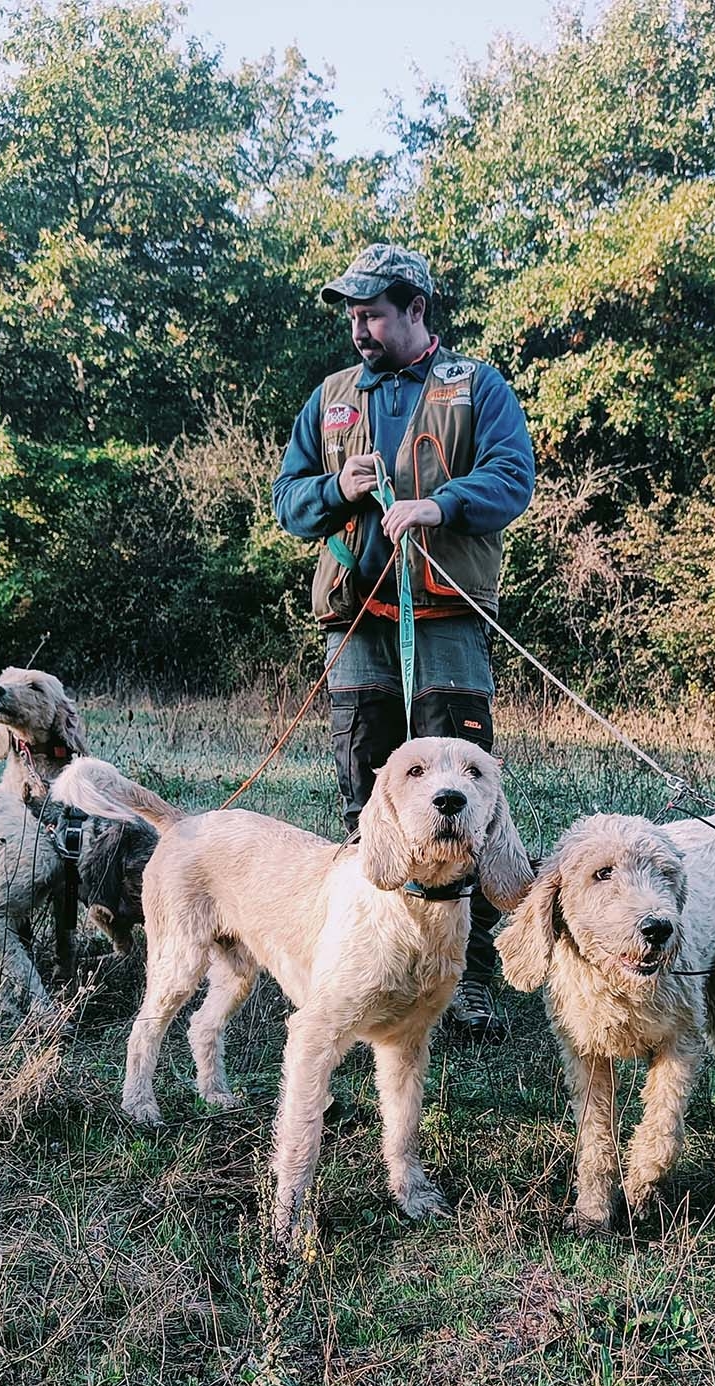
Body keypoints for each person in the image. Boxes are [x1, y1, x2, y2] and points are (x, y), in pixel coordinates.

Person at [271, 243, 536, 1041]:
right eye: (351, 317)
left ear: (415, 309)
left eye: (372, 315)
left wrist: (440, 506)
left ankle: (469, 979)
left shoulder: (476, 387)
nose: (358, 329)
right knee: (370, 796)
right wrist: (333, 489)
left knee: (463, 800)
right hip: (357, 623)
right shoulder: (330, 398)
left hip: (449, 617)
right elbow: (287, 499)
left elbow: (512, 476)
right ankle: (374, 957)